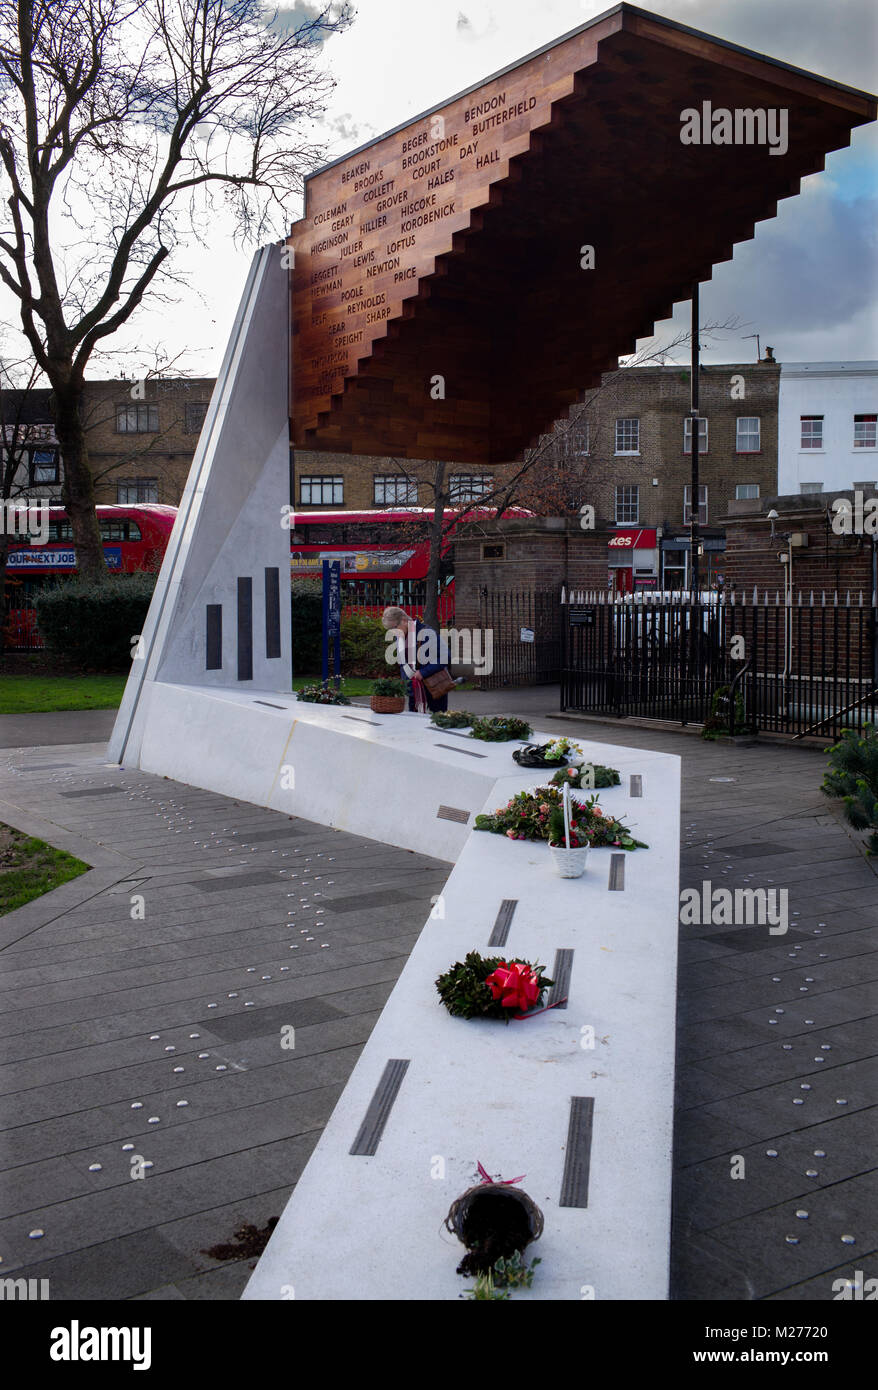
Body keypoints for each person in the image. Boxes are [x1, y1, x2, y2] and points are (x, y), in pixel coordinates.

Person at [381, 606, 451, 712]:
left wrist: (423, 672)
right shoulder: (400, 636)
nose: (393, 632)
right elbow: (403, 663)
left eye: (394, 628)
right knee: (414, 725)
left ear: (404, 620)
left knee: (439, 723)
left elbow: (446, 657)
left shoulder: (427, 632)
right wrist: (404, 682)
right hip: (413, 690)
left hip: (435, 687)